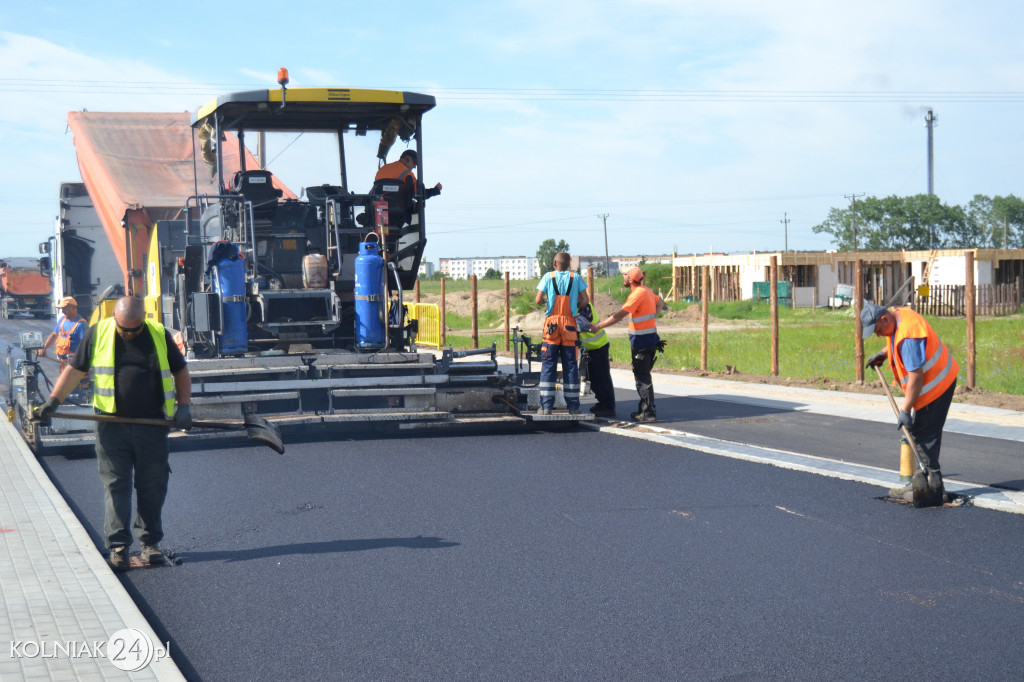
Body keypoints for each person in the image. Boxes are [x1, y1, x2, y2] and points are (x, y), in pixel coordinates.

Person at [35, 296, 193, 571]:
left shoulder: (157, 333)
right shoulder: (100, 331)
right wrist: (53, 402)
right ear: (116, 320)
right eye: (124, 328)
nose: (128, 333)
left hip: (151, 424)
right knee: (116, 485)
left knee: (152, 485)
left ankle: (150, 544)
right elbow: (75, 370)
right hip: (111, 425)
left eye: (134, 329)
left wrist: (185, 406)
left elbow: (181, 370)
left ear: (142, 320)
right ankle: (119, 547)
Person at [862, 301, 958, 506]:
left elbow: (916, 377)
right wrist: (884, 353)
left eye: (878, 330)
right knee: (920, 431)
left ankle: (935, 487)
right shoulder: (899, 315)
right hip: (934, 384)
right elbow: (893, 338)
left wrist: (905, 410)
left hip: (937, 387)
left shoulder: (908, 338)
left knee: (925, 434)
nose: (878, 335)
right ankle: (919, 483)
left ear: (884, 318)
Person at [588, 267, 663, 422]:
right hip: (649, 339)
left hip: (641, 342)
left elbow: (619, 315)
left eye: (625, 275)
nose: (623, 277)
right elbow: (660, 302)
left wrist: (598, 326)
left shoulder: (636, 295)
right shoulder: (646, 291)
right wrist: (653, 316)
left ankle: (648, 412)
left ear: (630, 279)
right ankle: (646, 409)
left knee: (642, 377)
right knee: (643, 375)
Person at [534, 252, 589, 415]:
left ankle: (546, 407)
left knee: (548, 364)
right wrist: (575, 305)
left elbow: (538, 300)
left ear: (554, 263)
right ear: (569, 264)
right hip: (569, 325)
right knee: (570, 365)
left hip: (552, 324)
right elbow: (586, 300)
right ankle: (573, 407)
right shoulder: (576, 277)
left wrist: (548, 302)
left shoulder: (548, 276)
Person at [374, 149, 442, 226]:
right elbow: (421, 194)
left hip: (379, 213)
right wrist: (435, 190)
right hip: (398, 216)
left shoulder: (382, 169)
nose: (414, 167)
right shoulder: (408, 175)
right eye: (414, 163)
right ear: (407, 159)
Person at [577, 303, 615, 418]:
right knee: (592, 378)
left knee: (602, 378)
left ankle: (608, 407)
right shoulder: (574, 304)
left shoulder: (583, 306)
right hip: (589, 347)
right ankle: (602, 403)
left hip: (598, 345)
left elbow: (583, 323)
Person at [39, 296, 87, 371]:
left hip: (75, 366)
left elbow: (87, 345)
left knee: (77, 383)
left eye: (65, 308)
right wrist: (44, 348)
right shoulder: (62, 320)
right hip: (63, 364)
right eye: (62, 309)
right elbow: (54, 335)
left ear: (73, 308)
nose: (62, 311)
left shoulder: (81, 325)